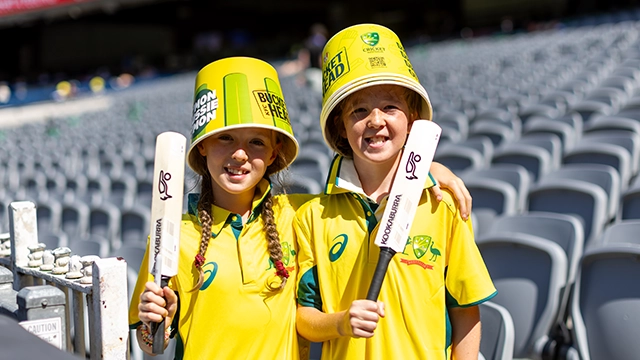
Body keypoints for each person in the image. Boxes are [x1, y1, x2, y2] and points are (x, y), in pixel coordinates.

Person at [128, 57, 474, 359]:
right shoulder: (171, 235)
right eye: (224, 138)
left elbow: (372, 188)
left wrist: (427, 172)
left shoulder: (303, 214)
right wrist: (152, 324)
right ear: (202, 148)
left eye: (257, 142)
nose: (239, 154)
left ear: (274, 153)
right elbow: (151, 345)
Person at [294, 23, 497, 360]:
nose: (375, 120)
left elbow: (465, 310)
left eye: (390, 107)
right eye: (358, 110)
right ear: (340, 127)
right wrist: (341, 322)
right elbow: (305, 319)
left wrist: (426, 172)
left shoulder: (441, 204)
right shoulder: (312, 217)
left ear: (412, 120)